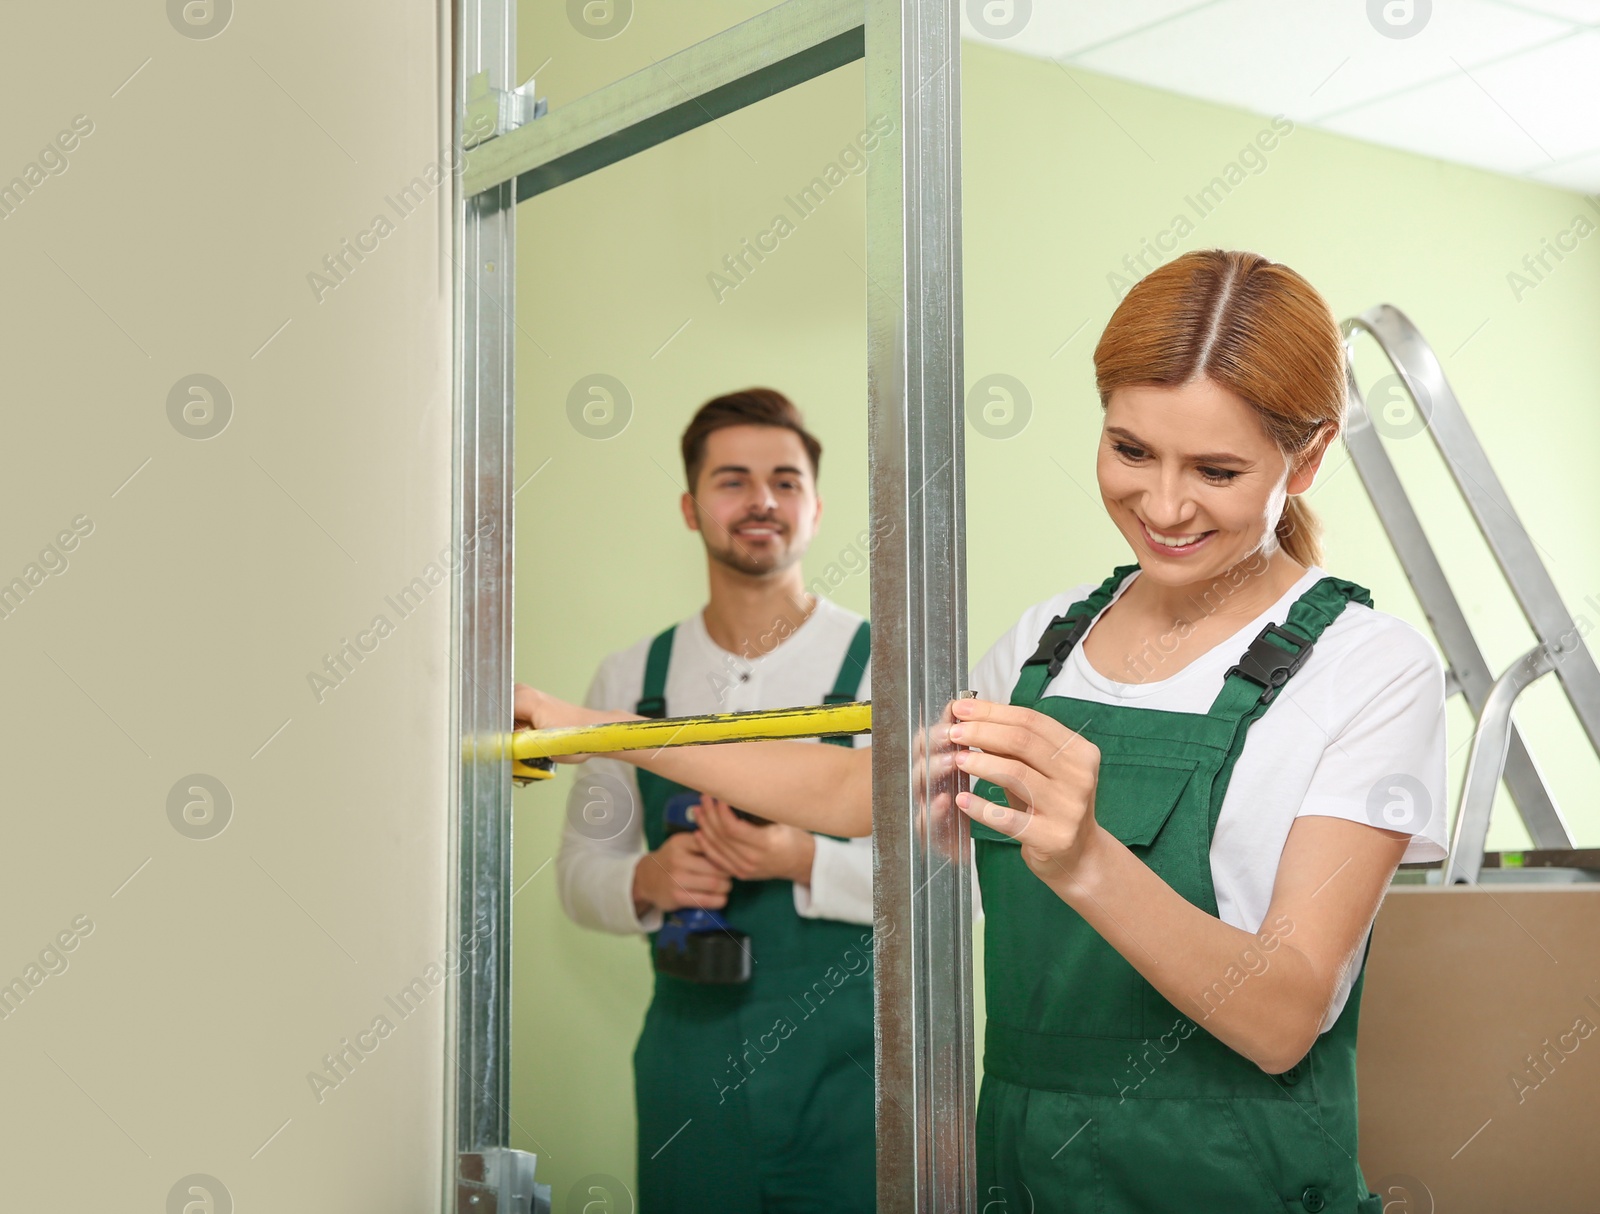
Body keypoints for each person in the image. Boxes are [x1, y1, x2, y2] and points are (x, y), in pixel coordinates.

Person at [516, 250, 1449, 1212]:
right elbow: (854, 794)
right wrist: (584, 727)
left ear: (1309, 457)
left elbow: (1283, 1015)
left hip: (1236, 1178)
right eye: (1130, 451)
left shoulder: (1370, 669)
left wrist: (1086, 857)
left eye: (1216, 470)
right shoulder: (1047, 645)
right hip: (1022, 1172)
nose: (1164, 506)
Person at [550, 388, 878, 1214]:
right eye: (733, 480)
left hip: (853, 1073)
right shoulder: (630, 681)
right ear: (692, 508)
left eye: (785, 480)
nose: (762, 500)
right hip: (686, 1073)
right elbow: (580, 874)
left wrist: (802, 858)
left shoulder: (886, 667)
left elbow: (959, 886)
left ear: (815, 505)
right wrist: (649, 882)